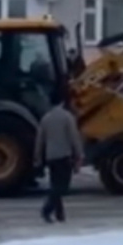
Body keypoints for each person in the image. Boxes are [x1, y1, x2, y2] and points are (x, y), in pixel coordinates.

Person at [34, 90, 84, 224]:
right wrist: (79, 155)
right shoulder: (67, 117)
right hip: (64, 155)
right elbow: (74, 138)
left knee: (55, 184)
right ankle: (47, 209)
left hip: (51, 157)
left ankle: (60, 214)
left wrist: (37, 157)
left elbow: (40, 140)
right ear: (62, 102)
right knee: (62, 187)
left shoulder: (46, 118)